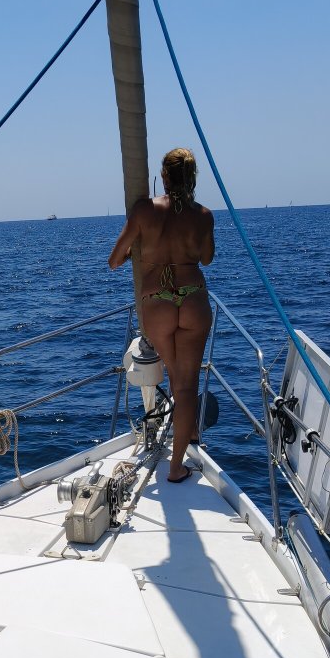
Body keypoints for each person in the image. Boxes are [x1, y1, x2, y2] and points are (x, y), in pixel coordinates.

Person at [108, 147, 215, 483]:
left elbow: (114, 260)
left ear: (164, 177)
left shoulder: (144, 210)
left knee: (175, 377)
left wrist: (137, 254)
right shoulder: (204, 215)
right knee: (187, 385)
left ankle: (182, 442)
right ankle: (177, 463)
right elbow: (207, 258)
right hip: (193, 297)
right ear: (192, 177)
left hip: (157, 302)